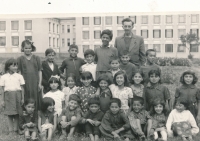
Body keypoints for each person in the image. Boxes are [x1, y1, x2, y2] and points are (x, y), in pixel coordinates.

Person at [0, 58, 25, 135]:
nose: (16, 67)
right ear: (8, 67)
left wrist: (22, 98)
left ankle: (16, 130)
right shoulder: (3, 77)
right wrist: (2, 100)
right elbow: (2, 90)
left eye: (17, 65)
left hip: (17, 95)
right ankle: (11, 130)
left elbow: (22, 88)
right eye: (13, 66)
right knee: (10, 114)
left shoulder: (19, 76)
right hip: (8, 96)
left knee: (17, 113)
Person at [17, 39, 42, 111]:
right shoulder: (20, 59)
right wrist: (20, 84)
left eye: (29, 48)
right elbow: (19, 72)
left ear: (32, 48)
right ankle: (26, 118)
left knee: (35, 99)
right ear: (22, 48)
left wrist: (39, 83)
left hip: (35, 83)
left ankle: (35, 118)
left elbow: (40, 71)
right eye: (26, 48)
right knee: (26, 98)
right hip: (25, 82)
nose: (28, 50)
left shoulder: (36, 58)